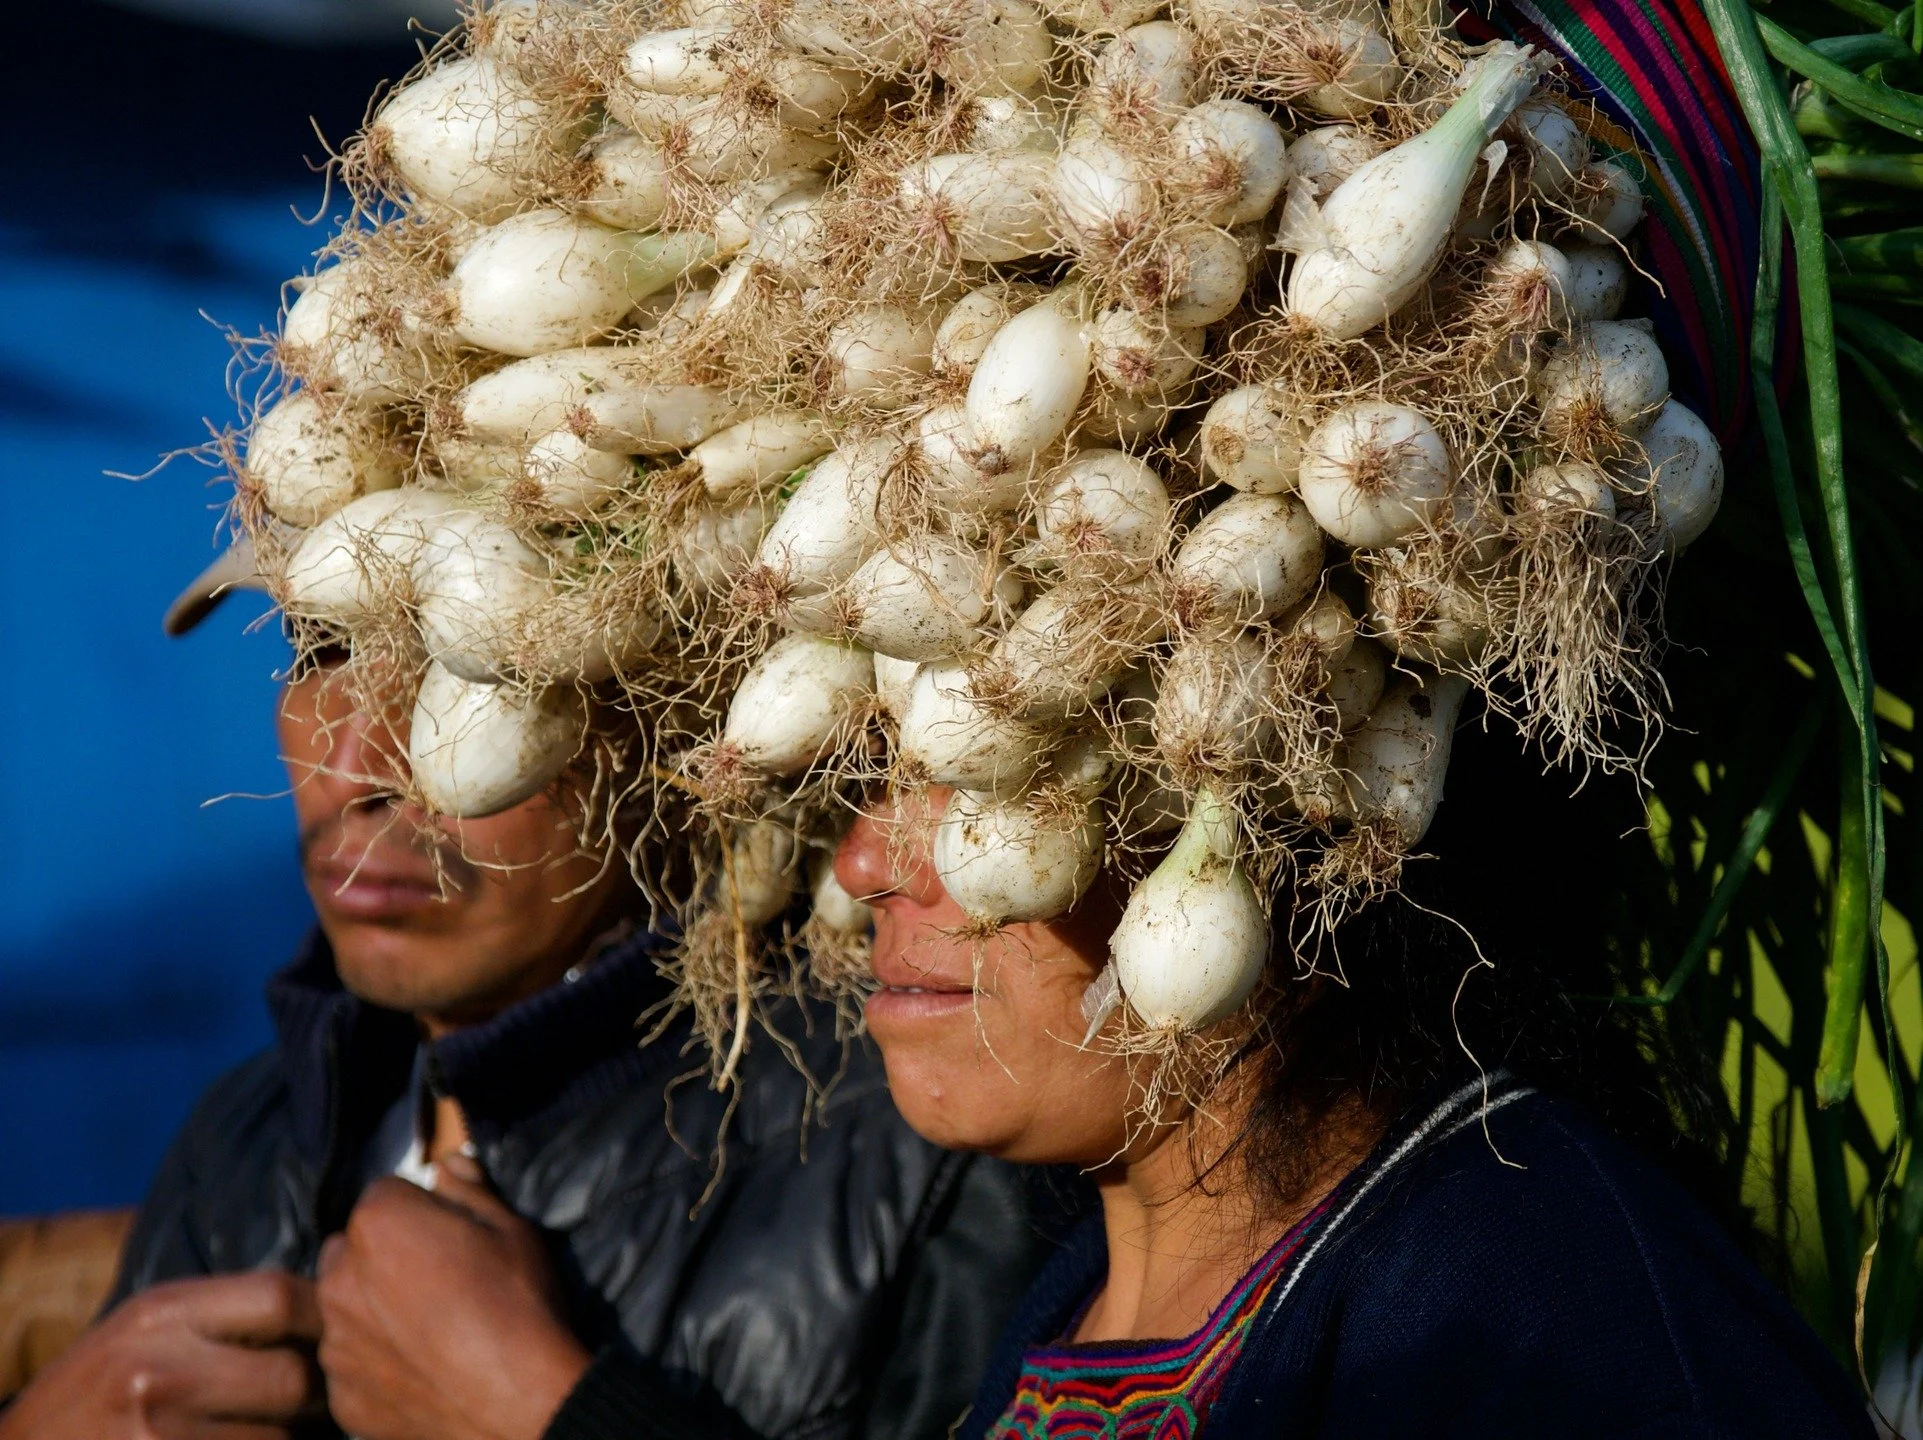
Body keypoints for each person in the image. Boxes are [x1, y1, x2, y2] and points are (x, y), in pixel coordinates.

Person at [0, 556, 1056, 1440]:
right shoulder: (241, 1146)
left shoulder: (919, 1158)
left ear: (673, 726)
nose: (357, 761)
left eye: (473, 670)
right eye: (321, 647)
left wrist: (552, 1414)